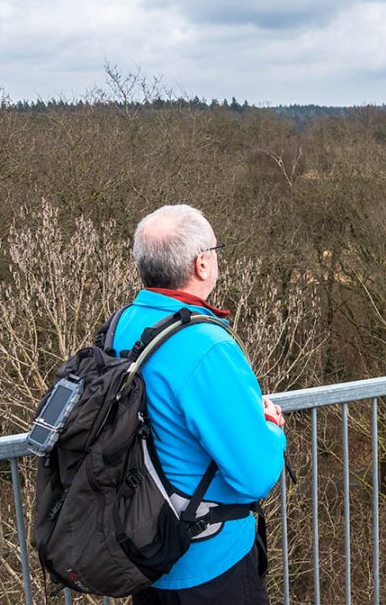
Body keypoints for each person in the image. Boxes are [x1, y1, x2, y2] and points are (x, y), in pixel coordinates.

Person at [111, 204, 286, 604]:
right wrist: (271, 427)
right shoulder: (206, 346)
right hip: (207, 563)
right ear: (202, 264)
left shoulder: (123, 325)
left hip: (143, 549)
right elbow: (257, 475)